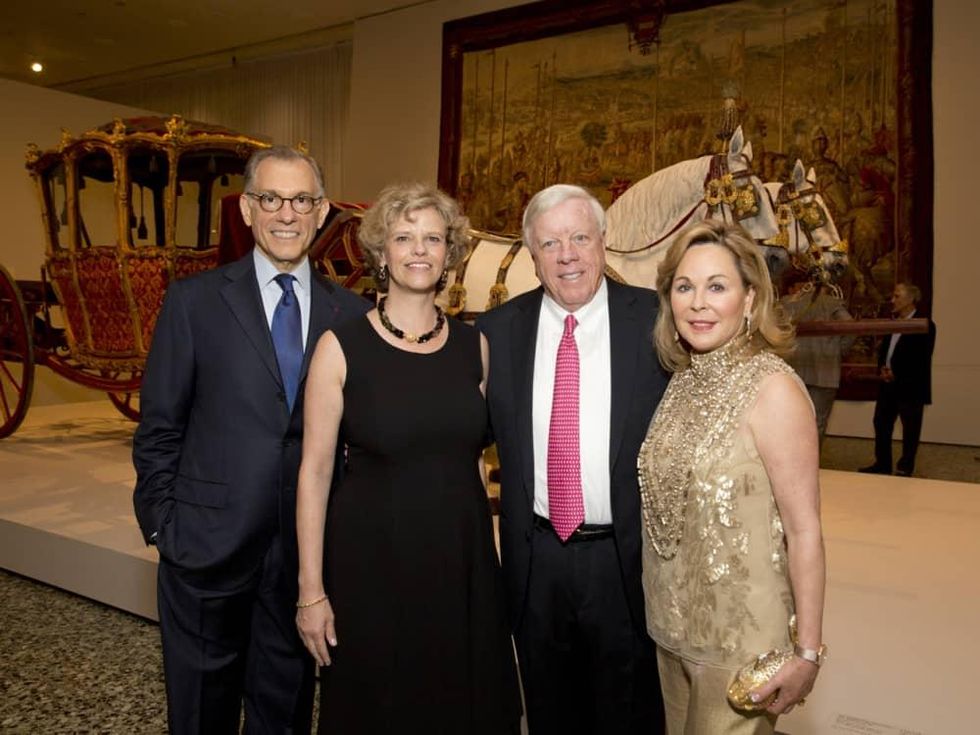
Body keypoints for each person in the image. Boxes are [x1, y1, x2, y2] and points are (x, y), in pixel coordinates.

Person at [132, 145, 370, 734]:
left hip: (305, 558)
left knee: (285, 710)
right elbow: (159, 427)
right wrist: (165, 526)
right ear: (246, 209)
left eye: (302, 200)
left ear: (321, 213)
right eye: (271, 199)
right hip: (205, 547)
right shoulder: (194, 302)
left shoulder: (352, 315)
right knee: (200, 713)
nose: (286, 214)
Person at [294, 183, 521, 734]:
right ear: (381, 253)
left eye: (433, 238)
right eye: (403, 237)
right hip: (373, 568)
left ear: (450, 253)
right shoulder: (340, 347)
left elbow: (470, 459)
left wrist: (486, 560)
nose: (419, 250)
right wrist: (311, 591)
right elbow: (316, 473)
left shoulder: (475, 347)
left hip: (460, 568)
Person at [477, 184, 668, 734]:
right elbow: (463, 432)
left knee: (628, 711)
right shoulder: (498, 331)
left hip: (623, 559)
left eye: (580, 237)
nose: (568, 255)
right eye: (551, 243)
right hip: (536, 560)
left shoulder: (656, 322)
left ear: (603, 244)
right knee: (548, 709)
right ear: (532, 257)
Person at [638, 220, 827, 734]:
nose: (698, 302)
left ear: (749, 299)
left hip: (741, 651)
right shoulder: (681, 380)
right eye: (685, 286)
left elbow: (804, 529)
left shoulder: (773, 391)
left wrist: (807, 653)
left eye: (716, 286)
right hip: (672, 635)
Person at [859, 282, 936, 476]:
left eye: (897, 296)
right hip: (888, 385)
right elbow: (885, 351)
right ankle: (882, 463)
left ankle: (905, 467)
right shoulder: (893, 322)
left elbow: (921, 357)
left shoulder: (925, 324)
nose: (892, 300)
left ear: (911, 299)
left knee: (910, 427)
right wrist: (882, 369)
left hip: (910, 386)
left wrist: (898, 373)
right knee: (881, 422)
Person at [779, 269, 855, 444]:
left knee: (790, 423)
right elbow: (850, 327)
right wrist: (838, 350)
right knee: (817, 423)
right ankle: (812, 466)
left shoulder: (786, 303)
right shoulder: (831, 303)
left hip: (794, 371)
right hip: (826, 373)